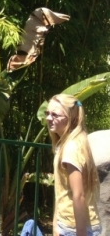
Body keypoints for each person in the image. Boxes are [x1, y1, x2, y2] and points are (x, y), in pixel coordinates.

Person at [46, 94, 101, 236]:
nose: (49, 118)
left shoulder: (71, 148)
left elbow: (78, 195)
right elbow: (62, 190)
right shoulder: (67, 144)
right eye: (47, 113)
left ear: (71, 118)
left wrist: (80, 233)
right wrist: (56, 223)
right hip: (68, 224)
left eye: (55, 115)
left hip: (75, 228)